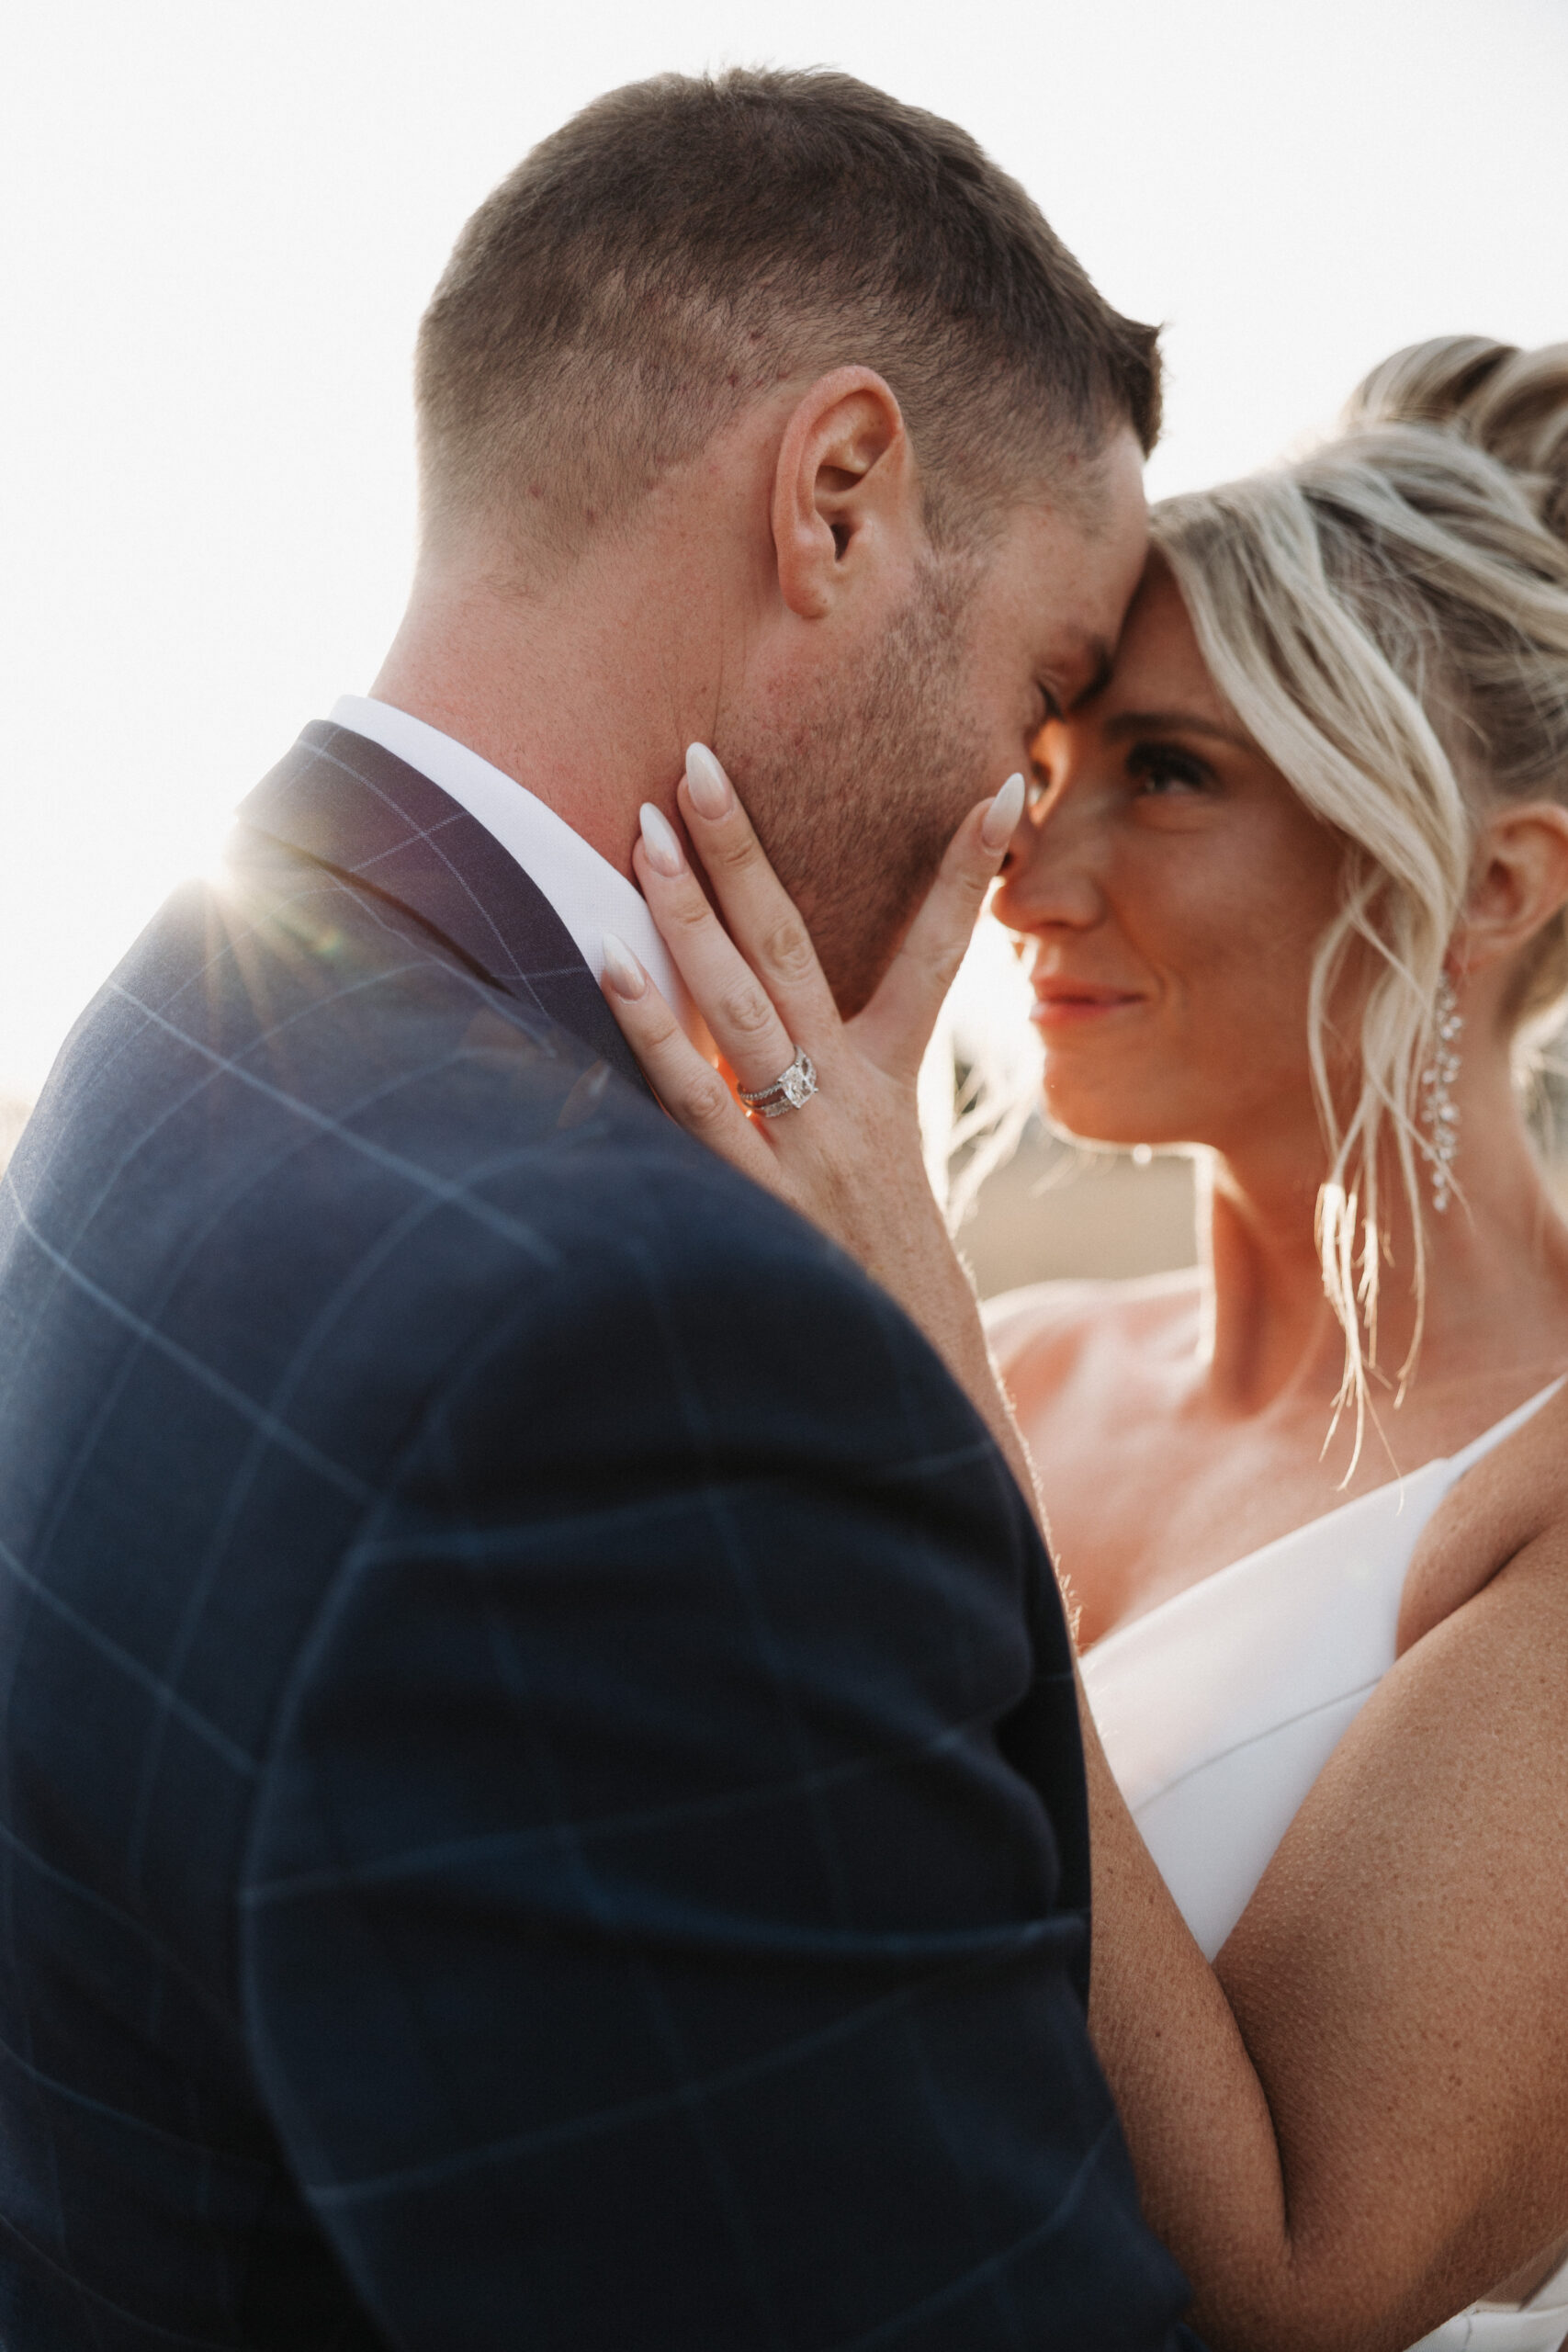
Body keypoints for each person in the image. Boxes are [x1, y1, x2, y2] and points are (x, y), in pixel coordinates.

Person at [0, 67, 1204, 2351]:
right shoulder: (639, 1354)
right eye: (1039, 697)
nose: (1012, 836)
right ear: (836, 502)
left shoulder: (177, 1022)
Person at [600, 336, 1568, 2351]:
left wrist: (925, 1400)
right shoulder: (1024, 1356)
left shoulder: (1535, 1498)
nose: (1023, 878)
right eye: (1038, 768)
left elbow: (1300, 2279)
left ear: (1488, 883)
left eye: (1165, 771)